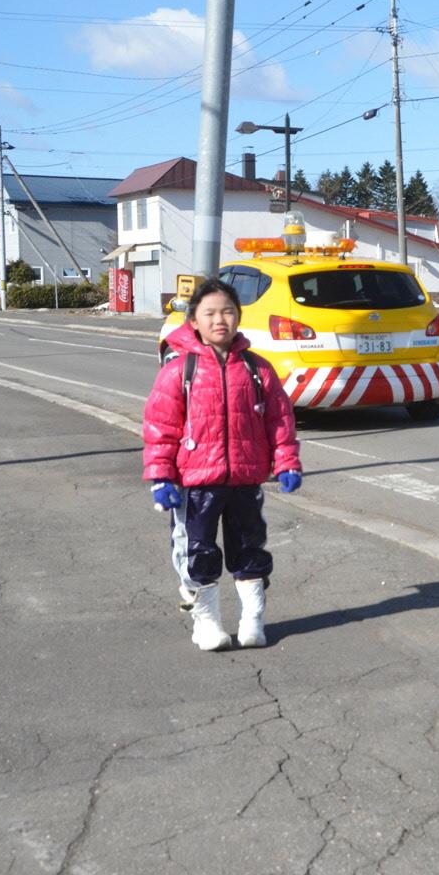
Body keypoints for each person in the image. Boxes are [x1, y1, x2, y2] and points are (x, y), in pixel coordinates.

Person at [142, 278, 302, 651]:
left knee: (250, 550)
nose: (220, 320)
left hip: (246, 479)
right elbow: (160, 428)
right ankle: (207, 623)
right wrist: (161, 476)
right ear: (193, 321)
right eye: (210, 313)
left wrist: (287, 462)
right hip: (196, 483)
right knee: (199, 552)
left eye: (228, 312)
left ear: (238, 317)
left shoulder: (257, 369)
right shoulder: (179, 371)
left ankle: (252, 622)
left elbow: (279, 420)